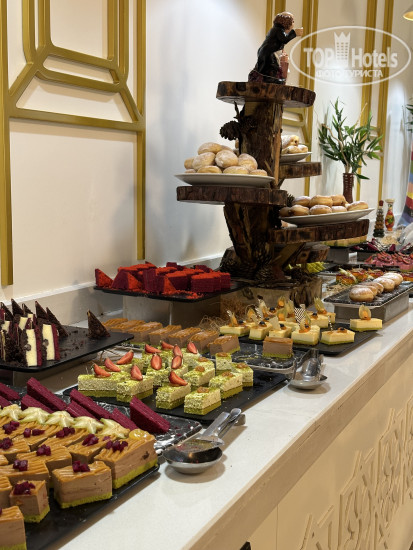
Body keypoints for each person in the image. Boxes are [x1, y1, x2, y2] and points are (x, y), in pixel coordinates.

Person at [249, 12, 303, 84]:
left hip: (266, 52)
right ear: (286, 21)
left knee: (267, 68)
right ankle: (270, 81)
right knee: (269, 69)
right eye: (292, 21)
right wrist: (294, 33)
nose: (294, 24)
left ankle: (272, 80)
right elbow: (284, 39)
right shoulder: (278, 30)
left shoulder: (276, 30)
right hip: (267, 53)